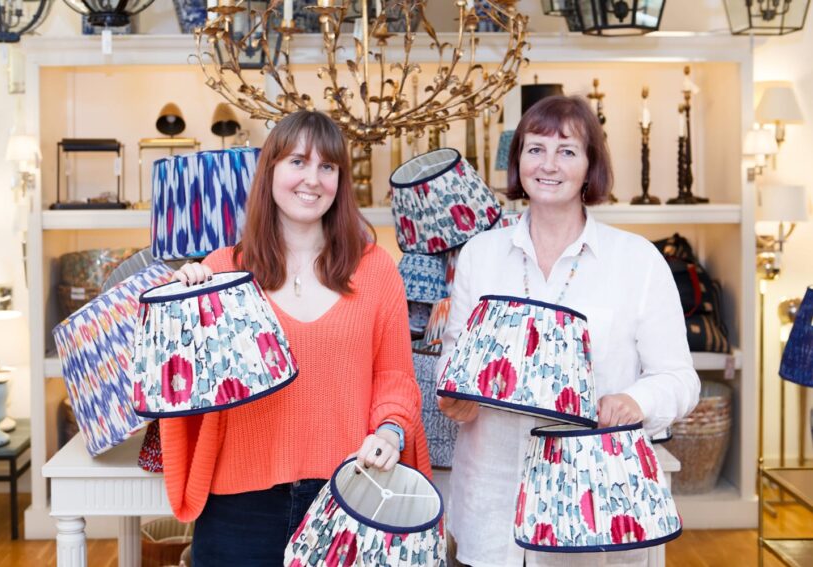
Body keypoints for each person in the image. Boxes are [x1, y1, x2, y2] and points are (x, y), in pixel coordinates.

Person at [437, 95, 700, 567]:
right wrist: (454, 395)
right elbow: (455, 359)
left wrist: (635, 400)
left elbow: (680, 378)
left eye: (567, 151)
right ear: (518, 161)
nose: (548, 165)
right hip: (491, 505)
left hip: (593, 507)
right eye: (535, 149)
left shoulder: (636, 260)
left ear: (590, 166)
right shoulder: (480, 254)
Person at [161, 110, 429, 566]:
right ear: (270, 171)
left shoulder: (375, 269)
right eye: (298, 162)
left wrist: (390, 431)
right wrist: (179, 307)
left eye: (328, 166)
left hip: (350, 495)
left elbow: (394, 376)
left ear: (341, 180)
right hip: (237, 509)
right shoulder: (222, 270)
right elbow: (180, 383)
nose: (313, 179)